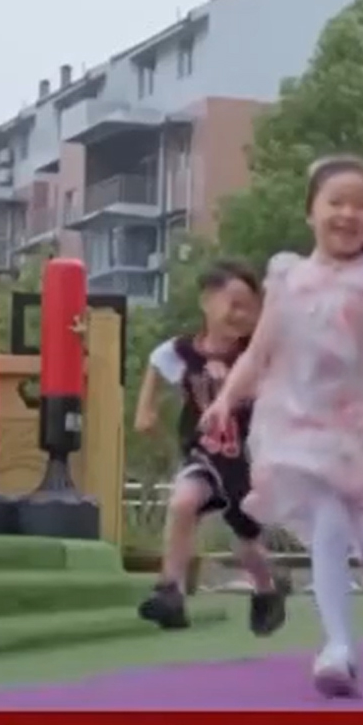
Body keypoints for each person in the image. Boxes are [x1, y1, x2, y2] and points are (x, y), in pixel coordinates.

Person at [200, 156, 363, 700]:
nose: (348, 214)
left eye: (362, 205)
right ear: (311, 211)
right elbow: (259, 351)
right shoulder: (287, 277)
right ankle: (338, 647)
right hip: (303, 422)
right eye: (336, 202)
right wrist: (225, 399)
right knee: (330, 524)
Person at [133, 261, 286, 637]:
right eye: (234, 304)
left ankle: (267, 590)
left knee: (246, 546)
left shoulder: (255, 355)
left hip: (246, 464)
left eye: (250, 308)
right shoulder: (182, 351)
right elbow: (156, 363)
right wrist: (147, 409)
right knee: (182, 502)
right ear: (206, 301)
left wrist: (238, 385)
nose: (242, 316)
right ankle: (170, 591)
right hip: (204, 454)